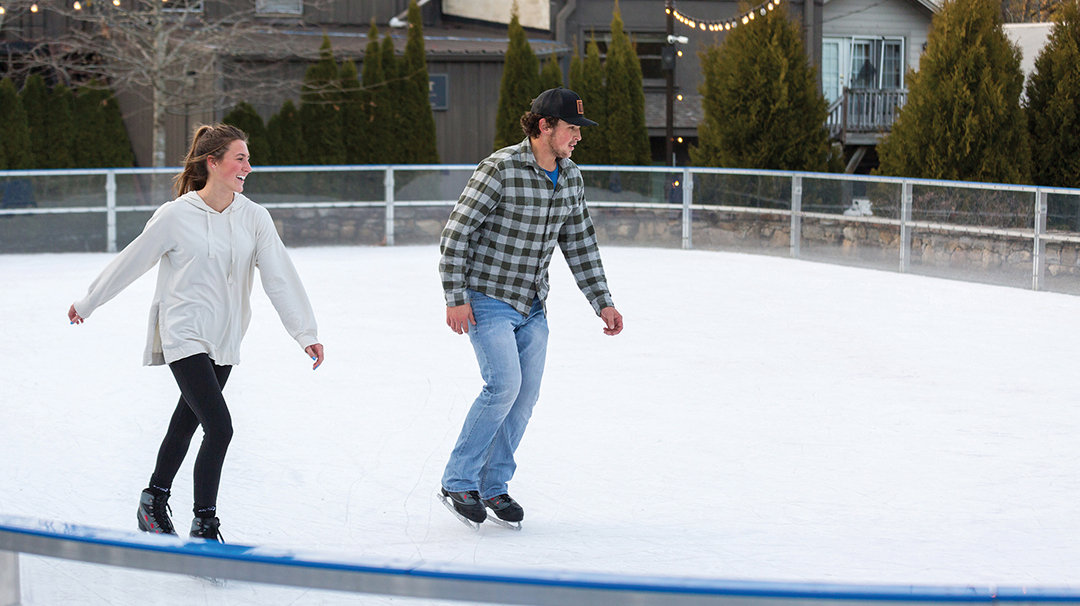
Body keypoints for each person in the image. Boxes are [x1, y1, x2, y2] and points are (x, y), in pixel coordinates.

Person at [68, 124, 324, 542]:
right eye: (239, 158)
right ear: (213, 162)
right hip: (183, 332)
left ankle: (152, 499)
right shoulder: (176, 215)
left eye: (247, 158)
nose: (248, 167)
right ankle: (205, 523)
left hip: (225, 336)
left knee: (187, 421)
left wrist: (304, 331)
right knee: (220, 427)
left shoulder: (254, 218)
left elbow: (280, 276)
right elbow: (133, 260)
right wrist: (89, 301)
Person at [438, 88, 623, 528]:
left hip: (533, 304)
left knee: (524, 398)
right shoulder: (500, 169)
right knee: (503, 386)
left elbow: (580, 243)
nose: (578, 137)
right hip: (488, 297)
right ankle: (458, 480)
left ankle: (493, 485)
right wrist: (455, 297)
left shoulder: (570, 177)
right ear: (545, 126)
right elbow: (456, 233)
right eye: (572, 128)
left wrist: (602, 301)